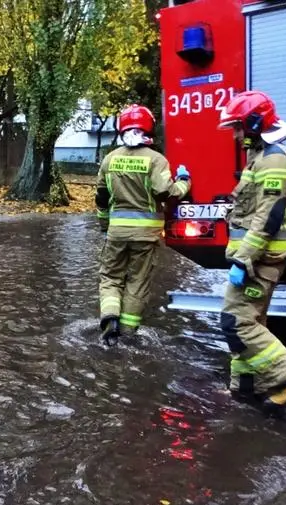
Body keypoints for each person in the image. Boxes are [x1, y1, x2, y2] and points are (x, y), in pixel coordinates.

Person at [217, 90, 286, 416]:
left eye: (239, 127)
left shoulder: (274, 159)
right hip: (258, 257)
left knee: (236, 322)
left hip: (260, 259)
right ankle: (245, 388)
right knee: (250, 321)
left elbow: (269, 214)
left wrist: (245, 257)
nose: (236, 134)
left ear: (255, 123)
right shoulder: (261, 157)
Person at [95, 104, 191, 346]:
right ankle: (127, 334)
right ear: (149, 128)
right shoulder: (156, 160)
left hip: (116, 233)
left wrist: (104, 225)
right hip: (145, 236)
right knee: (137, 281)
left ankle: (109, 318)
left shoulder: (109, 159)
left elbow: (101, 197)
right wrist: (184, 183)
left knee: (110, 276)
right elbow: (166, 192)